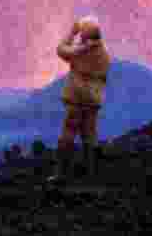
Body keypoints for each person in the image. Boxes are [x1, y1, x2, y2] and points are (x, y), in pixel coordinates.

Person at [48, 15, 112, 182]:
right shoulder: (105, 54)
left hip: (77, 98)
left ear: (85, 35)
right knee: (90, 136)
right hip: (93, 99)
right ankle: (91, 174)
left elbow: (61, 49)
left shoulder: (80, 52)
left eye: (82, 33)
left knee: (68, 134)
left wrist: (72, 32)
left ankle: (61, 173)